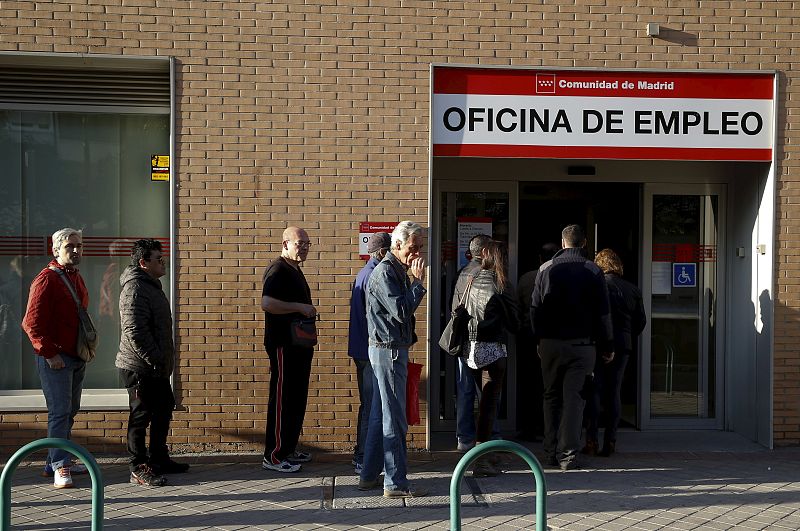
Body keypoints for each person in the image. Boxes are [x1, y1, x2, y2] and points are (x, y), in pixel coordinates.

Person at [531, 224, 614, 471]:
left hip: (550, 344)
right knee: (575, 399)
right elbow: (604, 313)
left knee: (551, 396)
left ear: (563, 242)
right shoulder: (593, 270)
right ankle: (568, 455)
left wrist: (539, 339)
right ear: (584, 242)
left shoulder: (545, 269)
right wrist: (608, 344)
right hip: (582, 345)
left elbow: (535, 309)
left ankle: (550, 452)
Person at [359, 221, 428, 498]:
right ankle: (395, 482)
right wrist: (418, 283)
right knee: (394, 418)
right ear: (397, 244)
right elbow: (400, 310)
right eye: (413, 247)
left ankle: (368, 476)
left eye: (420, 247)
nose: (417, 253)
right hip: (388, 351)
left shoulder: (394, 270)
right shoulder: (386, 272)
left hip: (388, 349)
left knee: (380, 416)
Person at [116, 239, 188, 487]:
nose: (163, 262)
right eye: (158, 259)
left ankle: (158, 458)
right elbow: (134, 331)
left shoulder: (151, 286)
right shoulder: (134, 288)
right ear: (143, 262)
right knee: (141, 416)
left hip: (156, 367)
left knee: (163, 409)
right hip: (139, 367)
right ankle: (138, 467)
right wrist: (155, 358)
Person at [22, 228, 91, 488]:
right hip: (56, 358)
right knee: (60, 413)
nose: (76, 250)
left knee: (69, 411)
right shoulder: (47, 279)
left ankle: (54, 461)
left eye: (79, 246)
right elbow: (31, 323)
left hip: (75, 355)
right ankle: (61, 465)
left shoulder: (75, 276)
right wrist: (50, 354)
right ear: (56, 250)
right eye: (69, 246)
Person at [260, 226, 317, 473]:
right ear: (285, 244)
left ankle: (288, 448)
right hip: (283, 344)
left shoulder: (295, 269)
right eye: (299, 243)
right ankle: (273, 456)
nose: (303, 248)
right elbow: (267, 303)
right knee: (283, 399)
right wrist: (299, 307)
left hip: (300, 345)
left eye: (307, 244)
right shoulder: (278, 269)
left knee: (296, 398)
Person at [463, 240, 519, 477]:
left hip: (471, 349)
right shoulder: (501, 284)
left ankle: (483, 452)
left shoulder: (471, 278)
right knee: (488, 406)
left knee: (483, 402)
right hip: (493, 349)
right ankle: (482, 460)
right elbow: (515, 323)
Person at [583, 248, 646, 457]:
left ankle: (591, 440)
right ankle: (610, 441)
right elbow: (640, 321)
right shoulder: (633, 289)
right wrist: (627, 336)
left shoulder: (595, 286)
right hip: (623, 344)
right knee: (614, 392)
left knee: (594, 390)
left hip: (597, 343)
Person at [347, 232, 391, 474]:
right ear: (383, 252)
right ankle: (363, 457)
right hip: (370, 350)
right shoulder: (376, 275)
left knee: (369, 404)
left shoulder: (363, 273)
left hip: (361, 348)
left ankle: (363, 455)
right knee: (372, 406)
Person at [451, 233, 493, 452]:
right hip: (479, 339)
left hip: (463, 339)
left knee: (465, 389)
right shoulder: (485, 274)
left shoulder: (462, 272)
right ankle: (489, 437)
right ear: (485, 251)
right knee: (486, 391)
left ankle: (464, 437)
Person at [515, 242, 559, 441]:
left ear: (540, 258)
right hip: (553, 338)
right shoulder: (560, 276)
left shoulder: (526, 278)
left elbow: (517, 307)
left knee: (528, 384)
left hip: (528, 336)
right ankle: (547, 428)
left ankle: (528, 428)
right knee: (550, 385)